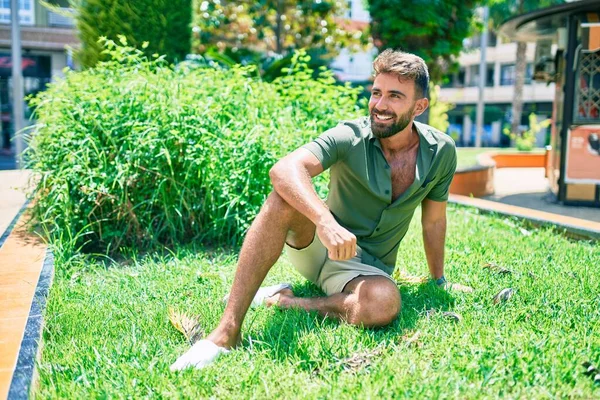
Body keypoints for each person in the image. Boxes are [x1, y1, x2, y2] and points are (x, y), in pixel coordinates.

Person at [171, 49, 471, 371]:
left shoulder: (440, 152)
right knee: (282, 198)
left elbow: (434, 220)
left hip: (366, 270)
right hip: (317, 245)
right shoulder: (350, 135)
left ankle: (285, 300)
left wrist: (437, 280)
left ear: (419, 106)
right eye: (376, 93)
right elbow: (284, 169)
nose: (380, 105)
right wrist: (324, 221)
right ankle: (226, 332)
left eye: (395, 96)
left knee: (384, 302)